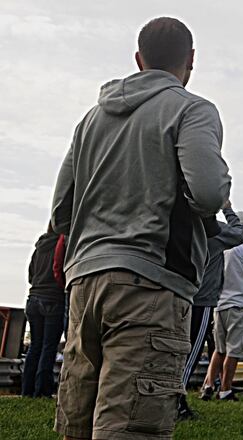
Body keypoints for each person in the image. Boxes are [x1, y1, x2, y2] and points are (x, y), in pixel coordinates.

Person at [50, 17, 231, 440]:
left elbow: (61, 213)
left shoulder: (91, 119)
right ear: (191, 60)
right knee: (130, 426)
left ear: (138, 59)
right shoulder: (192, 109)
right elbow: (207, 193)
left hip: (83, 285)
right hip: (150, 284)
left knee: (78, 422)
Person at [178, 204, 243, 418]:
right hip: (201, 299)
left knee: (175, 350)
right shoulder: (215, 232)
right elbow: (239, 234)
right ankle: (176, 402)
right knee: (191, 354)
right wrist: (228, 209)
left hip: (176, 294)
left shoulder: (181, 224)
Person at [201, 223, 243, 401]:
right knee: (234, 350)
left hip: (220, 303)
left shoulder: (222, 245)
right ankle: (225, 389)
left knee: (219, 349)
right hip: (241, 303)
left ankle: (208, 385)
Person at [21, 226, 66, 398]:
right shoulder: (62, 245)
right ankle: (41, 392)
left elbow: (30, 275)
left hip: (33, 299)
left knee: (35, 346)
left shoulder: (39, 246)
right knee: (48, 347)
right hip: (53, 299)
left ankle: (27, 391)